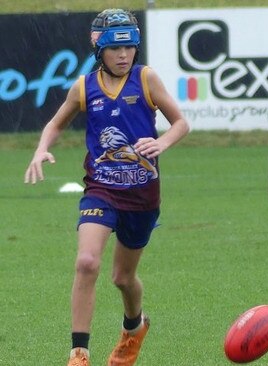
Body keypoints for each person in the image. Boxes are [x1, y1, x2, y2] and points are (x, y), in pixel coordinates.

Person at [24, 9, 190, 366]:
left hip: (143, 196)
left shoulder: (146, 79)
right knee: (86, 262)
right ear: (99, 48)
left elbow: (180, 123)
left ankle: (134, 327)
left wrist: (162, 143)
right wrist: (41, 148)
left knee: (122, 277)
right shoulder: (84, 87)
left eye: (130, 47)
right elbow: (54, 124)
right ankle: (79, 354)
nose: (124, 55)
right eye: (116, 48)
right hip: (100, 190)